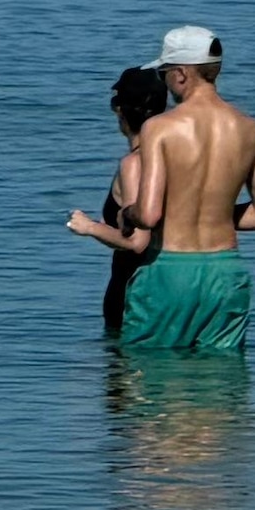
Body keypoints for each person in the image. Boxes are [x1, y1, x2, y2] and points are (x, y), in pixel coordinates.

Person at [65, 23, 255, 352]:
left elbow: (148, 215)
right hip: (225, 271)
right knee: (222, 386)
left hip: (170, 271)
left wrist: (126, 214)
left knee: (154, 382)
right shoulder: (252, 130)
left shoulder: (160, 129)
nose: (165, 79)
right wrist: (212, 213)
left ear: (181, 74)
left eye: (165, 71)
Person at [87, 63, 174, 342]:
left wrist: (89, 227)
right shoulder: (177, 158)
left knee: (126, 382)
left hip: (133, 291)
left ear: (119, 111)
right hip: (173, 282)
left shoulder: (135, 164)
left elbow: (137, 241)